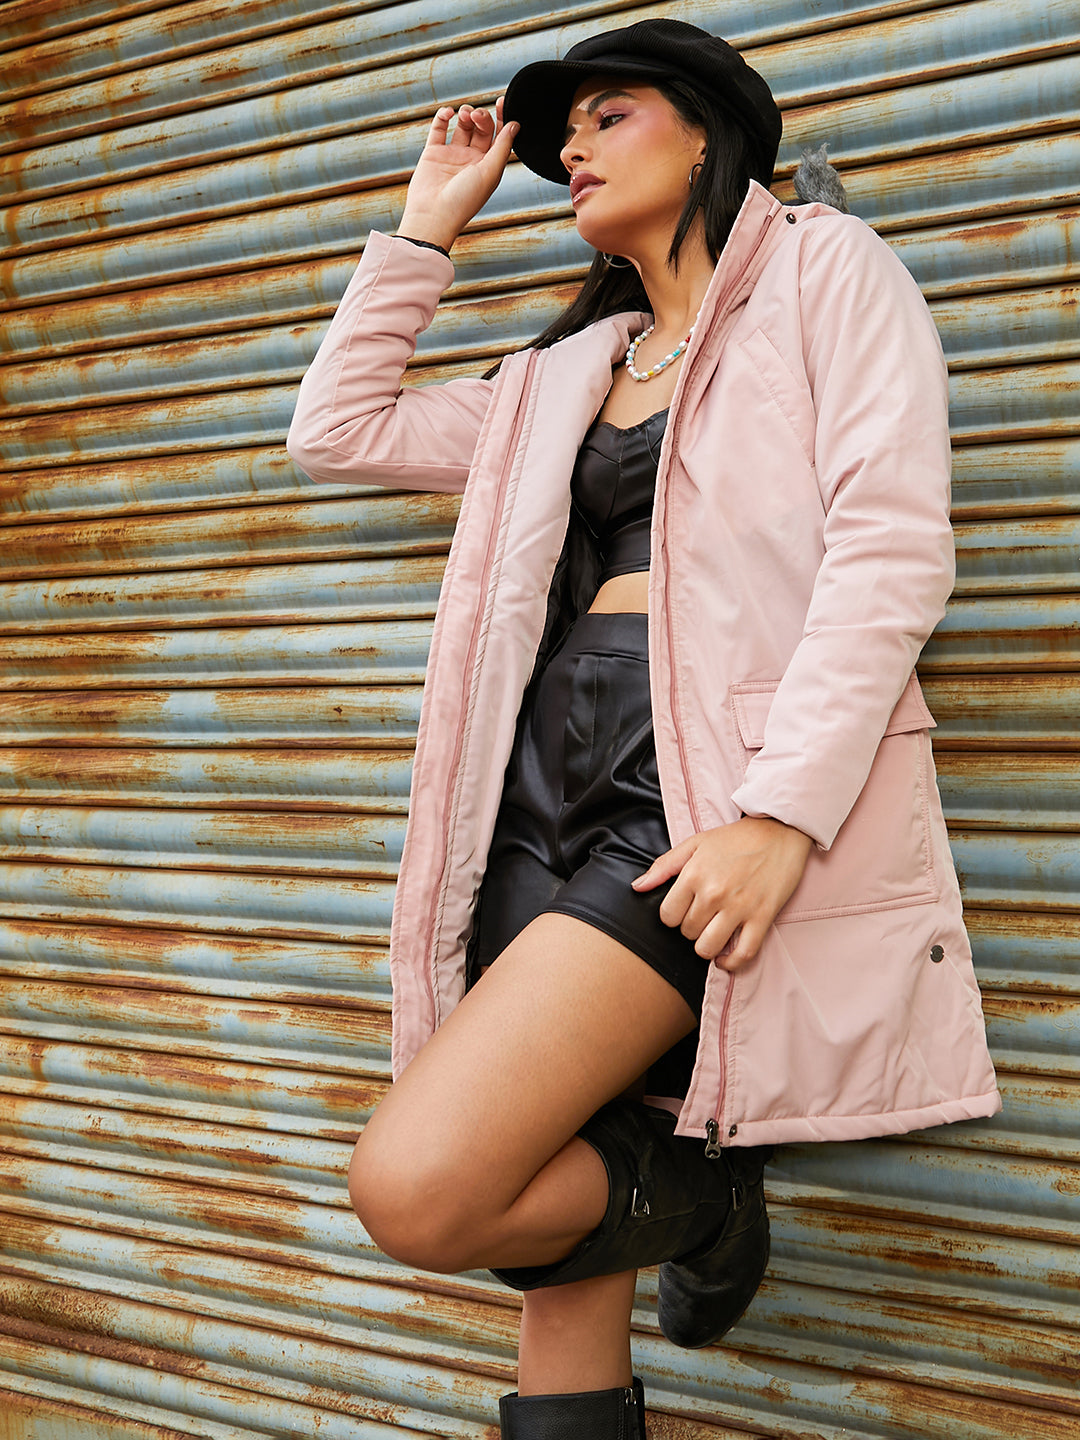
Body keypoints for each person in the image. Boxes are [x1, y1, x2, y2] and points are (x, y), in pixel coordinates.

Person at [287, 19, 1000, 1438]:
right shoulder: (565, 370)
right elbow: (338, 431)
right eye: (567, 131)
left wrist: (779, 814)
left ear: (708, 131)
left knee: (422, 1187)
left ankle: (704, 1190)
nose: (571, 148)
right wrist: (426, 228)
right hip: (534, 788)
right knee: (559, 1270)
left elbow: (892, 548)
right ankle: (674, 1203)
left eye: (610, 116)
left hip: (695, 784)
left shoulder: (821, 271)